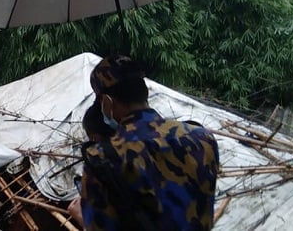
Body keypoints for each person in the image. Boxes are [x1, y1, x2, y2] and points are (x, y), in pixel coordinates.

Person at [69, 55, 219, 231]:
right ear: (145, 91)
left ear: (107, 102)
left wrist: (83, 218)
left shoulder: (103, 159)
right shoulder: (202, 138)